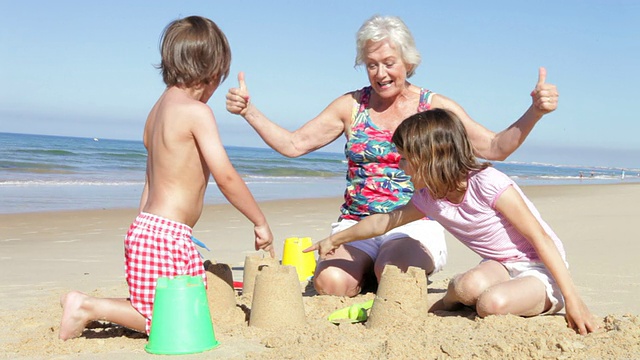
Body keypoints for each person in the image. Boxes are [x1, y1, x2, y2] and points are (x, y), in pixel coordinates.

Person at [226, 15, 559, 297]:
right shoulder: (351, 106)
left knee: (393, 276)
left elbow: (495, 147)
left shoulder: (435, 108)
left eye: (389, 63)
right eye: (372, 65)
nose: (381, 73)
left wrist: (535, 111)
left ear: (408, 62)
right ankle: (360, 270)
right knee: (330, 283)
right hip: (356, 222)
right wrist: (249, 111)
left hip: (415, 222)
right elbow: (293, 145)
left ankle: (377, 270)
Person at [59, 16, 275, 340]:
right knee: (165, 317)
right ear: (213, 74)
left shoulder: (155, 112)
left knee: (165, 303)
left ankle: (82, 305)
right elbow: (226, 176)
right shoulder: (197, 113)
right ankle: (85, 306)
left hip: (149, 227)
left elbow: (150, 178)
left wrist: (139, 228)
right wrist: (259, 220)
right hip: (167, 235)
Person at [305, 109, 597, 335]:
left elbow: (540, 238)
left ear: (429, 158)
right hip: (499, 264)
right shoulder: (431, 197)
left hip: (542, 268)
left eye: (406, 159)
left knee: (491, 305)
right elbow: (383, 222)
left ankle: (550, 297)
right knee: (466, 287)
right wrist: (335, 239)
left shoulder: (488, 183)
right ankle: (439, 305)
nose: (401, 166)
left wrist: (574, 299)